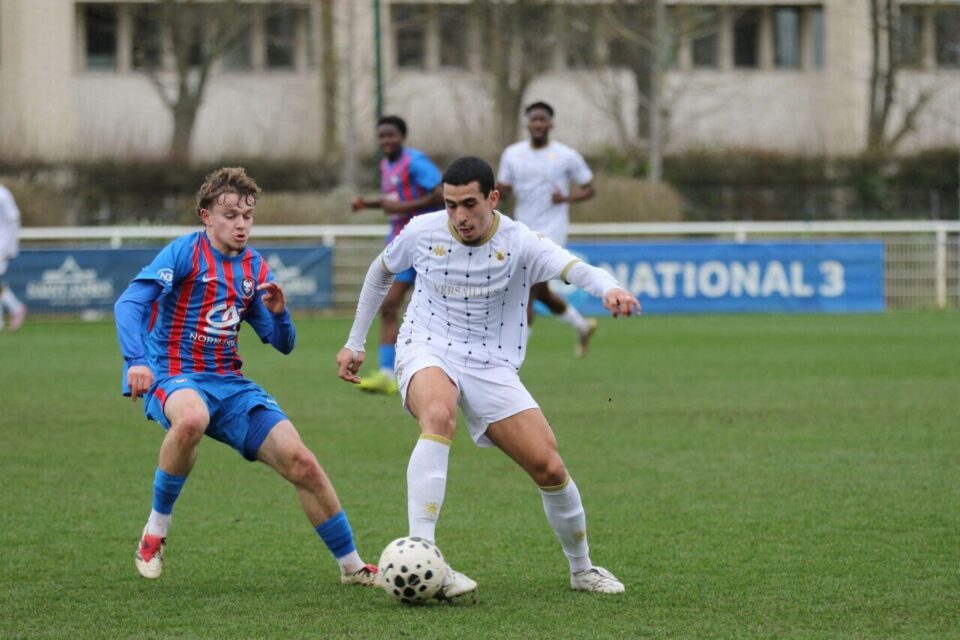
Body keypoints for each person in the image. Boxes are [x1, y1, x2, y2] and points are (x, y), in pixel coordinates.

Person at [337, 157, 641, 598]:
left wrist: (610, 288)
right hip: (426, 344)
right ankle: (425, 554)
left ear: (493, 198)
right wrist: (355, 342)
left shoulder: (520, 242)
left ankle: (582, 570)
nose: (459, 216)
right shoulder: (423, 231)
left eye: (469, 204)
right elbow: (380, 271)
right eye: (450, 205)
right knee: (438, 416)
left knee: (550, 467)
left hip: (491, 364)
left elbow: (575, 269)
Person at [115, 167, 378, 585]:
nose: (241, 224)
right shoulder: (184, 253)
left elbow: (282, 343)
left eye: (248, 216)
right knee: (192, 419)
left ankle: (352, 567)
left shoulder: (254, 266)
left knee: (303, 463)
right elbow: (129, 303)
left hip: (230, 384)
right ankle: (155, 533)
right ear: (206, 216)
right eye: (230, 215)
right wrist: (136, 361)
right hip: (175, 373)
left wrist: (279, 313)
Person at [497, 101, 598, 357]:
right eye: (534, 119)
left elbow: (589, 188)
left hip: (552, 231)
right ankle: (582, 326)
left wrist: (566, 199)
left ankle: (512, 359)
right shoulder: (512, 154)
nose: (538, 124)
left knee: (526, 290)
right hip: (522, 230)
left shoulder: (566, 155)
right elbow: (503, 188)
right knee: (540, 291)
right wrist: (499, 191)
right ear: (527, 123)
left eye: (543, 120)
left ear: (551, 124)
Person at [351, 115, 443, 395]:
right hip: (400, 244)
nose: (386, 141)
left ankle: (441, 366)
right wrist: (367, 204)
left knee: (437, 309)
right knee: (389, 304)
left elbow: (441, 192)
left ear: (402, 137)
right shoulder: (386, 164)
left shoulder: (416, 162)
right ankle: (387, 373)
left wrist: (403, 208)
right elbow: (393, 200)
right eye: (382, 137)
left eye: (391, 136)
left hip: (428, 243)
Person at [0, 182, 27, 332]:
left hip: (2, 245)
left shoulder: (2, 195)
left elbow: (14, 219)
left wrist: (9, 247)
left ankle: (16, 307)